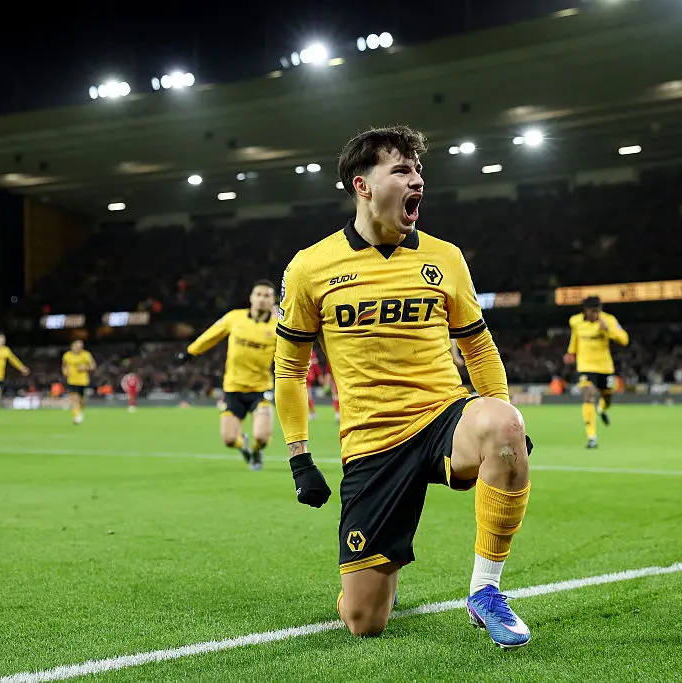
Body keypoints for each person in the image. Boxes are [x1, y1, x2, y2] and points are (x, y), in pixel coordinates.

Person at [274, 126, 534, 648]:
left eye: (418, 171)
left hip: (443, 417)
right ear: (362, 185)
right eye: (401, 170)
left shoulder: (446, 258)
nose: (416, 180)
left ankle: (485, 591)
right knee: (364, 621)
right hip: (372, 443)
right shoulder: (310, 267)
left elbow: (478, 347)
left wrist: (503, 415)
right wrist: (300, 457)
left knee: (503, 424)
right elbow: (289, 367)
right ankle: (371, 579)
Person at [182, 280, 279, 470]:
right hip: (233, 388)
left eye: (266, 296)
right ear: (251, 298)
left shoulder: (278, 327)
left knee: (262, 437)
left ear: (272, 301)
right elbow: (212, 334)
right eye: (258, 295)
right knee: (228, 439)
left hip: (261, 389)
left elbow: (293, 352)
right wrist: (191, 351)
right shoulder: (235, 318)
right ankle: (244, 445)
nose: (261, 299)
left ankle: (258, 450)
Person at [563, 296, 629, 448]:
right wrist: (571, 353)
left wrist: (609, 331)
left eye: (598, 311)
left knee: (608, 397)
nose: (596, 315)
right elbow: (575, 339)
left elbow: (624, 339)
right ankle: (592, 437)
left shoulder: (609, 320)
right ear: (586, 311)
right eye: (593, 312)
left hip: (605, 367)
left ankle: (602, 408)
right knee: (588, 395)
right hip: (585, 366)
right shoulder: (575, 321)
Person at [62, 340, 96, 424]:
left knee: (82, 400)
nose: (77, 348)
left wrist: (85, 367)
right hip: (71, 380)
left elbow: (93, 366)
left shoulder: (86, 355)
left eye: (80, 347)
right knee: (74, 398)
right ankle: (77, 415)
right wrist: (64, 371)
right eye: (76, 346)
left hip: (83, 381)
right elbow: (64, 365)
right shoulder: (67, 355)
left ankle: (79, 412)